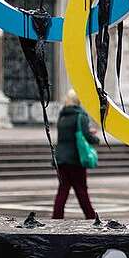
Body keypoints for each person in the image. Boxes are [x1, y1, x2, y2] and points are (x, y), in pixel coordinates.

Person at [52, 89, 99, 220]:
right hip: (75, 159)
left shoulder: (62, 116)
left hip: (61, 159)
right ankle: (90, 217)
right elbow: (86, 136)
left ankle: (56, 217)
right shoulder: (80, 115)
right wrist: (95, 139)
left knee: (63, 190)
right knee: (81, 190)